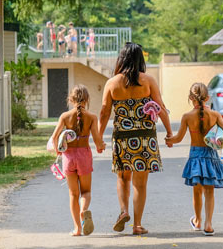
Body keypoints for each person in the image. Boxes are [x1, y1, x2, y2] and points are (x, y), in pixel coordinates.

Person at [99, 42, 173, 235]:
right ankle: (137, 225)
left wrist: (99, 137)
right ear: (140, 59)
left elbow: (104, 112)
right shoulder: (148, 81)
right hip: (145, 137)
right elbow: (161, 107)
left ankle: (124, 211)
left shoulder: (112, 83)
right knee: (140, 184)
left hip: (122, 138)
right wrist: (169, 132)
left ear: (121, 59)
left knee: (123, 178)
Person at [166, 83, 223, 236]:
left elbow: (178, 138)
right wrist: (215, 140)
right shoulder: (215, 115)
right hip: (211, 155)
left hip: (195, 157)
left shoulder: (187, 117)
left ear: (190, 98)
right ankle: (208, 224)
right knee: (209, 191)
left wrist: (169, 140)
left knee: (197, 192)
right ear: (208, 98)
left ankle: (197, 220)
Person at [51, 85, 106, 236]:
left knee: (73, 194)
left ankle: (77, 229)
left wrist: (58, 151)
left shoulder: (64, 116)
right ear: (87, 99)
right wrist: (102, 146)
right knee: (86, 191)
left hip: (68, 157)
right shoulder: (92, 118)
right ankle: (84, 210)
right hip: (84, 156)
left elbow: (55, 137)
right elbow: (97, 140)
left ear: (71, 99)